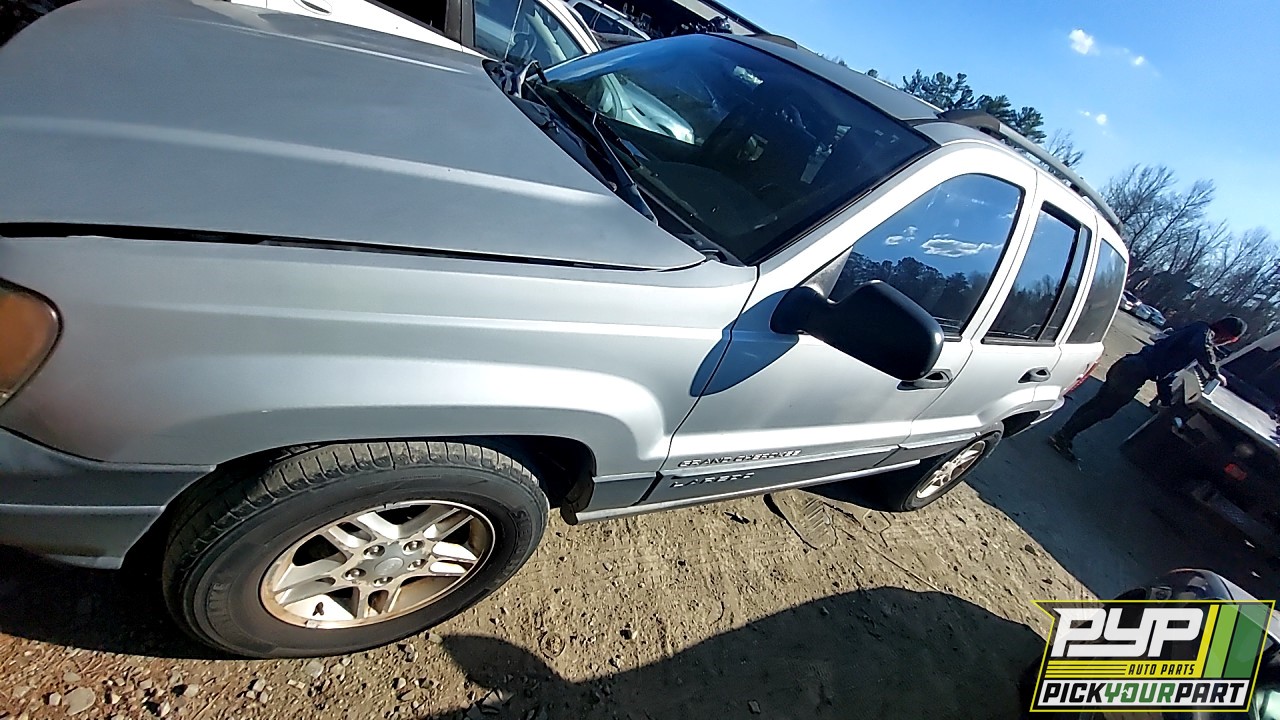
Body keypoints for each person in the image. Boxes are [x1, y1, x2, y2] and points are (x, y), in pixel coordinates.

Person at [1048, 316, 1247, 461]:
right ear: (1227, 334)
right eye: (1227, 340)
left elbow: (1164, 377)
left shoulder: (1194, 332)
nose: (1221, 343)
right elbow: (1202, 348)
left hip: (1130, 366)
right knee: (1103, 409)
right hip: (1134, 371)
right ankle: (1063, 436)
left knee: (1098, 404)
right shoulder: (1202, 333)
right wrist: (1214, 372)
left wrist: (1167, 403)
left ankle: (1063, 434)